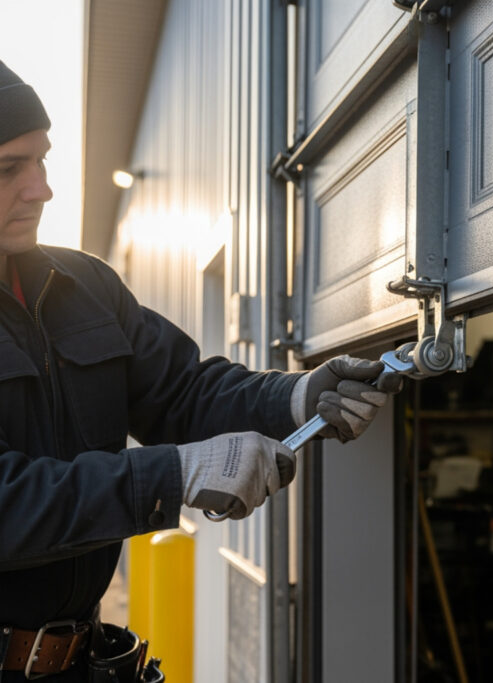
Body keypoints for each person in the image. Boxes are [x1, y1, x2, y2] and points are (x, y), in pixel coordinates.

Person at [0, 59, 403, 681]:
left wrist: (296, 397)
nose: (41, 189)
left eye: (42, 159)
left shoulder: (83, 284)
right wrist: (175, 472)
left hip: (78, 663)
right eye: (9, 169)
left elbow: (181, 391)